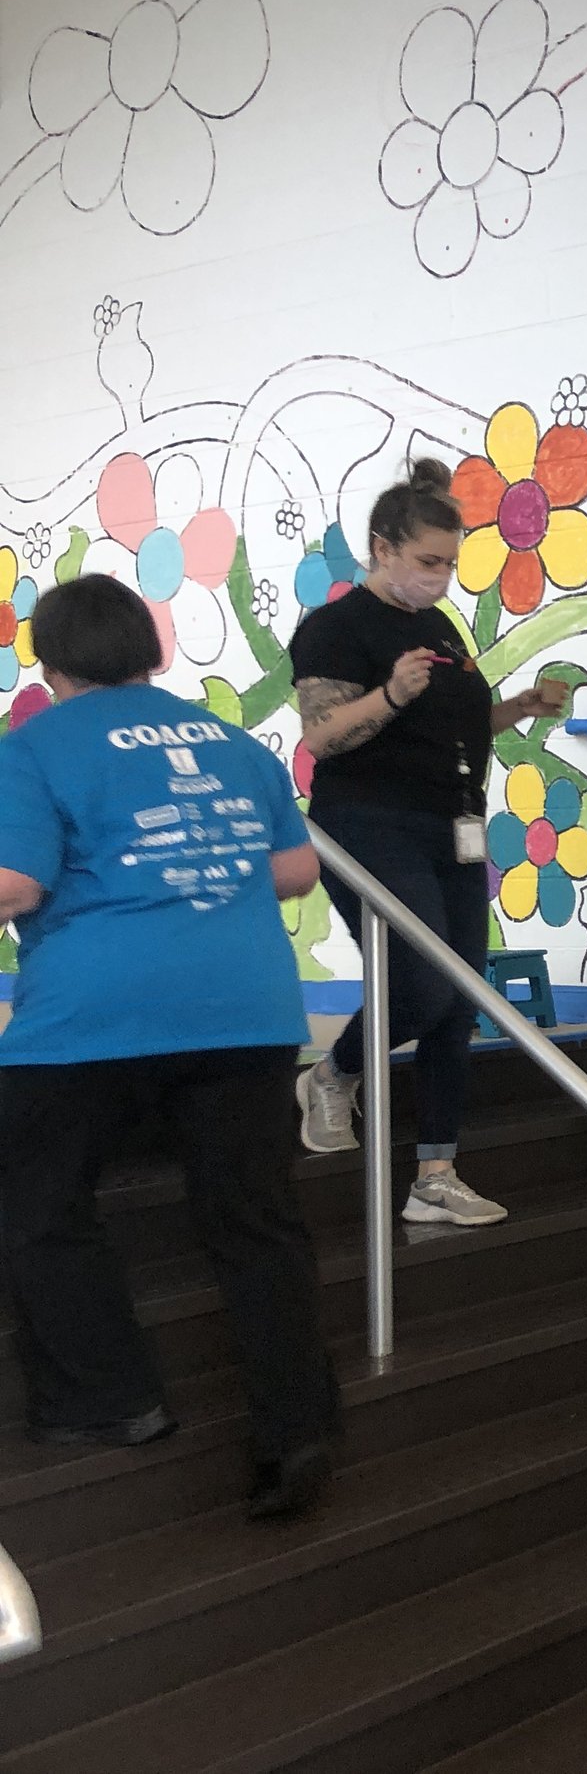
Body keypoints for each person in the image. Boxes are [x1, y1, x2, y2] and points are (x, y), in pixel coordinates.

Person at [0, 576, 338, 1517]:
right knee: (256, 1222)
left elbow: (17, 885)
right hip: (247, 1011)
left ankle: (110, 1398)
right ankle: (297, 1428)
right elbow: (295, 870)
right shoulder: (231, 741)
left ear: (50, 662)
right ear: (148, 651)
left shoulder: (34, 748)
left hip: (93, 1020)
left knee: (37, 1198)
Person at [288, 459, 572, 1228]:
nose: (441, 577)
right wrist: (388, 694)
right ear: (382, 549)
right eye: (427, 561)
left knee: (459, 997)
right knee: (421, 983)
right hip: (369, 823)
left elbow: (453, 726)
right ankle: (335, 1072)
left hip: (453, 824)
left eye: (449, 562)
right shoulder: (335, 628)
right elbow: (322, 735)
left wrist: (518, 706)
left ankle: (436, 1173)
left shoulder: (439, 627)